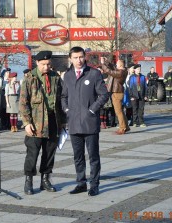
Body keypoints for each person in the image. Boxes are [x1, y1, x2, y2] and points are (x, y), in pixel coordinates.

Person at [61, 46, 108, 196]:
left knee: (93, 156)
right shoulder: (67, 76)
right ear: (70, 59)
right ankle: (81, 183)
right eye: (75, 58)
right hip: (74, 122)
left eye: (81, 57)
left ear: (85, 57)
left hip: (90, 122)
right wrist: (67, 110)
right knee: (78, 156)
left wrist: (92, 110)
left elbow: (104, 95)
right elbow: (63, 96)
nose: (78, 60)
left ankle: (94, 184)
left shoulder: (94, 74)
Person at [19, 50, 66, 195]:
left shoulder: (55, 78)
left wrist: (63, 121)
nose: (46, 67)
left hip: (52, 120)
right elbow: (23, 102)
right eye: (43, 64)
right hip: (36, 121)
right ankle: (29, 181)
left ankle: (45, 179)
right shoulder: (30, 78)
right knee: (32, 153)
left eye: (48, 64)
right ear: (37, 62)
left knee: (49, 152)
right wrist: (27, 123)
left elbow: (61, 100)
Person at [100, 58, 130, 135]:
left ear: (120, 65)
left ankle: (122, 128)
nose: (116, 65)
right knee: (121, 111)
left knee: (118, 112)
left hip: (117, 93)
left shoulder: (120, 72)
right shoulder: (123, 70)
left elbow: (109, 71)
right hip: (118, 92)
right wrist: (107, 61)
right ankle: (126, 126)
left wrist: (103, 64)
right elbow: (113, 67)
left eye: (117, 64)